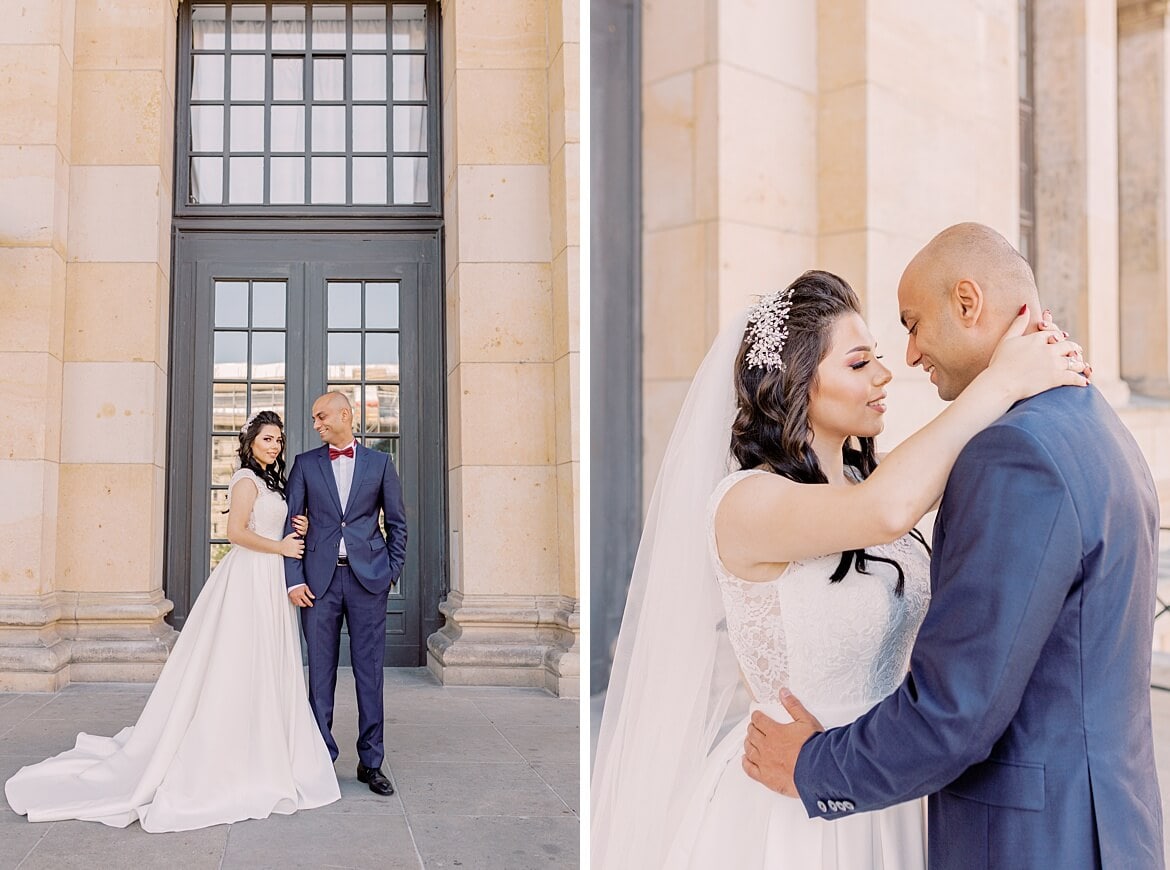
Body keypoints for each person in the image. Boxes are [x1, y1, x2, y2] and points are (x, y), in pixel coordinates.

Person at [590, 266, 1090, 868]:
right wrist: (1002, 380)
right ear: (795, 384)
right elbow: (884, 511)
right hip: (792, 794)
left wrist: (1029, 367)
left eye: (877, 357)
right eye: (858, 364)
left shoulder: (866, 483)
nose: (885, 374)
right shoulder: (746, 504)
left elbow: (922, 483)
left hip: (884, 776)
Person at [742, 224, 1165, 869]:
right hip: (1096, 818)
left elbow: (956, 711)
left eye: (911, 326)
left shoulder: (1014, 453)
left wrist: (811, 767)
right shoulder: (1090, 419)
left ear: (968, 303)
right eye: (863, 359)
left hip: (1031, 839)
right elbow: (886, 507)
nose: (905, 359)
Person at [4, 411, 340, 832]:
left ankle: (267, 741)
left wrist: (298, 527)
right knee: (239, 659)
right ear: (250, 442)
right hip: (249, 577)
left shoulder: (273, 481)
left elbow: (274, 522)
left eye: (278, 440)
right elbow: (236, 532)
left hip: (270, 578)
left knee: (268, 661)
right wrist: (280, 547)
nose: (274, 446)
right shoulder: (244, 480)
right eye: (267, 439)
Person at [284, 391, 407, 797]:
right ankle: (320, 759)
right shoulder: (304, 465)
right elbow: (291, 527)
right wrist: (294, 579)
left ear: (344, 415)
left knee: (370, 674)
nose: (316, 424)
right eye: (314, 418)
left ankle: (371, 763)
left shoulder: (380, 463)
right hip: (318, 585)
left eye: (321, 416)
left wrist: (390, 571)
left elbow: (398, 524)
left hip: (367, 581)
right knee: (319, 675)